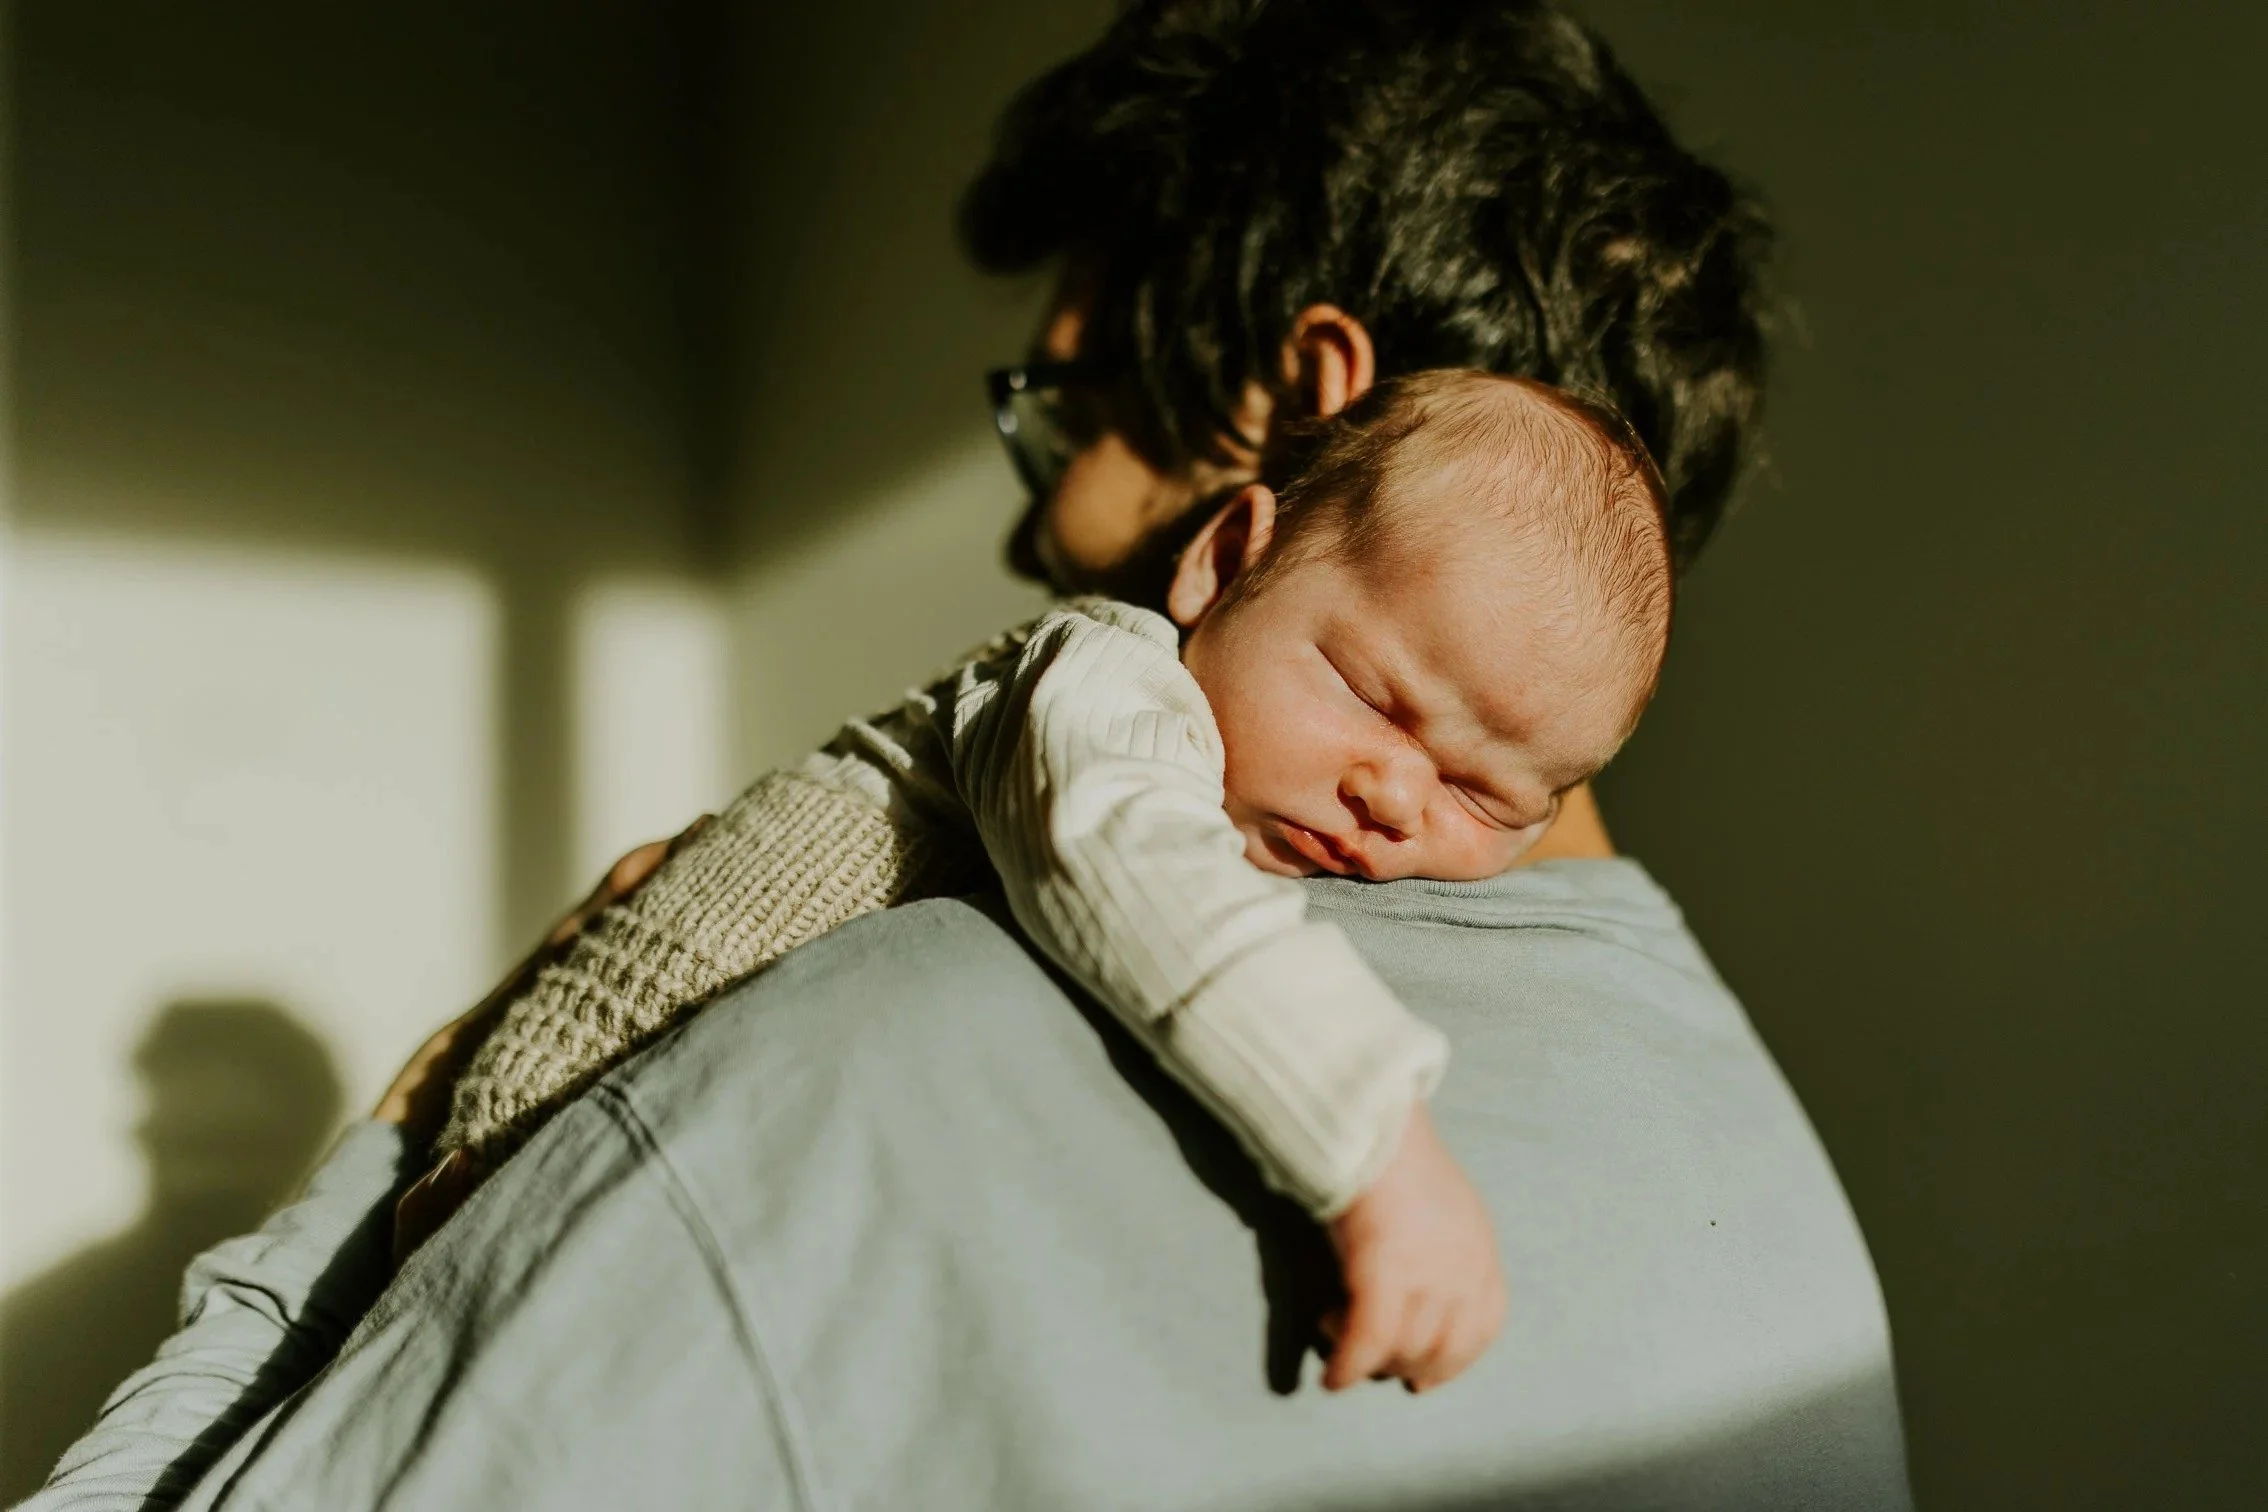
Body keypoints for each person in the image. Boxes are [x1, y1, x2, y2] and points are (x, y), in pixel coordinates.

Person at [18, 3, 1910, 1507]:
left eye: (1051, 408)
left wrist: (443, 1109)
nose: (1028, 533)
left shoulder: (873, 1046)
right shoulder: (1793, 1224)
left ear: (1292, 411)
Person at [423, 370, 1675, 1396]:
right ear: (1227, 561)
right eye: (1367, 694)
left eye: (1483, 795)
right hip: (543, 1139)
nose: (1396, 797)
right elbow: (1132, 865)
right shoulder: (1103, 683)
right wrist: (1380, 1150)